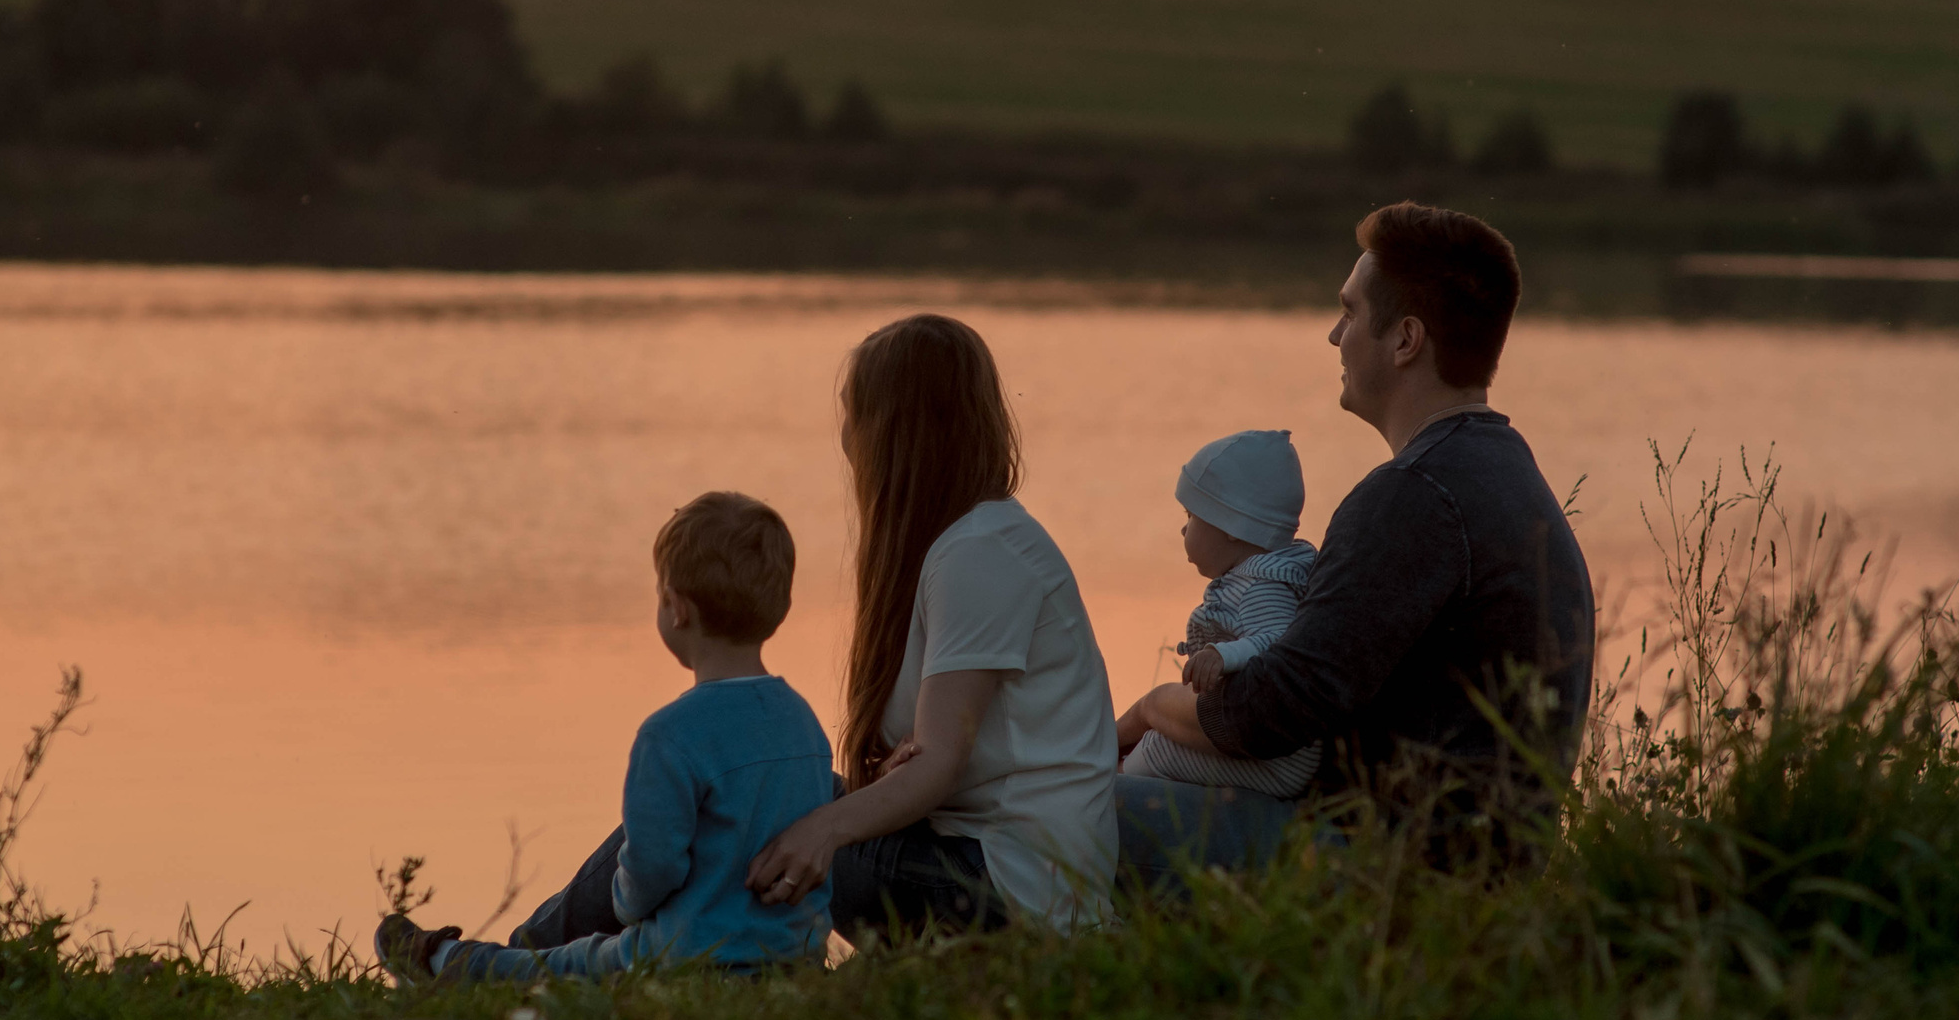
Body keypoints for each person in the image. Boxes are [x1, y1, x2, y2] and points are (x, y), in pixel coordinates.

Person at [509, 314, 1119, 949]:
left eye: (853, 415)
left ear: (895, 430)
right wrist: (885, 788)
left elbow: (939, 764)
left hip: (1007, 893)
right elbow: (950, 758)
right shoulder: (961, 545)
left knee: (722, 796)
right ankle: (545, 956)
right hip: (968, 860)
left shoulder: (984, 552)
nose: (847, 438)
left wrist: (823, 829)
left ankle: (519, 960)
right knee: (734, 786)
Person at [1115, 202, 1596, 885]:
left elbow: (1266, 715)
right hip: (1481, 868)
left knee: (1061, 812)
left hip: (1395, 874)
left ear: (1405, 340)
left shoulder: (1414, 495)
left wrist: (1145, 710)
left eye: (1348, 310)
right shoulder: (1504, 471)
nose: (1334, 334)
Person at [378, 492, 833, 982]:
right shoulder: (802, 720)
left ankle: (443, 963)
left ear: (675, 608)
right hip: (791, 958)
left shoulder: (669, 734)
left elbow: (652, 871)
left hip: (685, 958)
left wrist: (623, 898)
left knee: (565, 962)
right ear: (781, 605)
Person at [1116, 430, 1319, 796]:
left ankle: (1116, 787)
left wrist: (1223, 654)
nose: (1183, 528)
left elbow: (1280, 641)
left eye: (1191, 515)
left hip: (1280, 761)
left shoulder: (1263, 584)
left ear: (1230, 526)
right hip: (1272, 753)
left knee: (1158, 748)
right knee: (1162, 737)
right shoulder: (1252, 576)